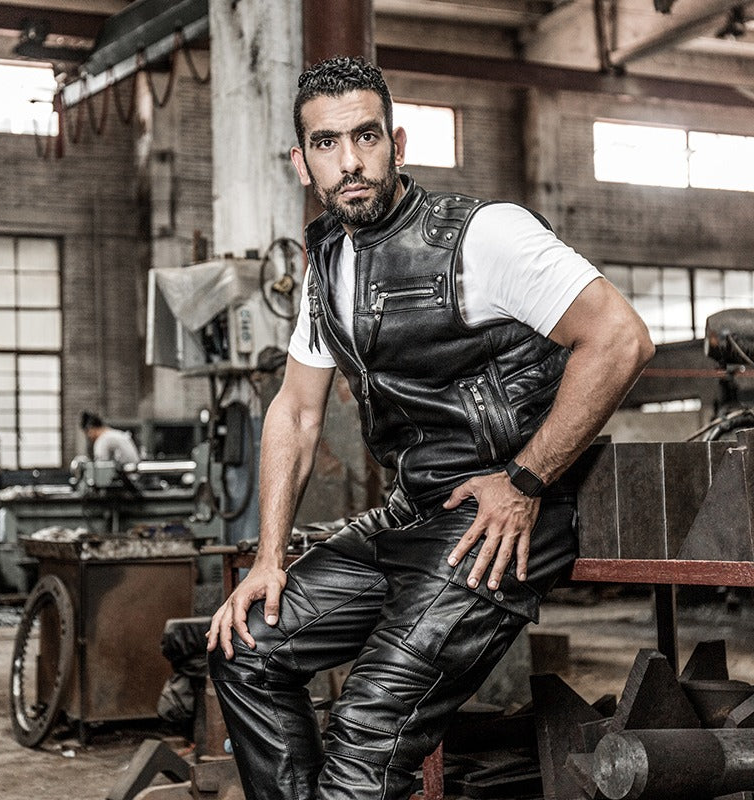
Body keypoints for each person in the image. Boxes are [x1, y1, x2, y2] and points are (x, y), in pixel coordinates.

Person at [206, 56, 654, 800]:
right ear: (300, 161)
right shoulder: (328, 263)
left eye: (366, 137)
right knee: (246, 646)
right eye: (325, 144)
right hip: (413, 514)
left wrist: (523, 480)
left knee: (367, 735)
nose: (349, 162)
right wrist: (267, 558)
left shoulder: (484, 235)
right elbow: (295, 409)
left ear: (398, 142)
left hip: (501, 517)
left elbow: (619, 339)